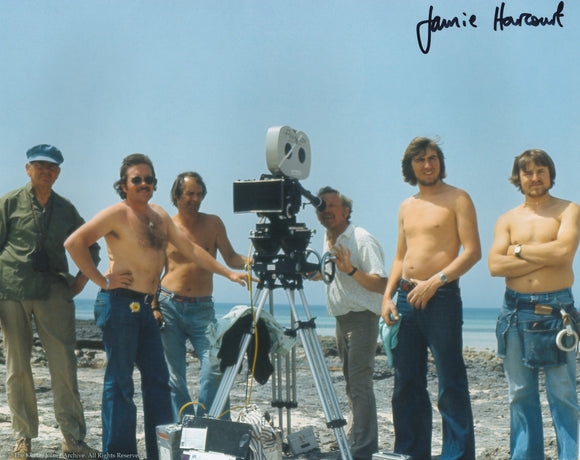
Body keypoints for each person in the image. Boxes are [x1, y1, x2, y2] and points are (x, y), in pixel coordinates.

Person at [64, 154, 247, 460]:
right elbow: (74, 243)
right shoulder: (116, 213)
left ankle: (160, 453)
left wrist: (228, 273)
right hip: (119, 303)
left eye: (148, 179)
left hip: (146, 306)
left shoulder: (159, 215)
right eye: (136, 179)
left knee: (159, 382)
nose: (144, 184)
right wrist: (102, 280)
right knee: (120, 383)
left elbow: (191, 249)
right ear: (124, 185)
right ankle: (120, 454)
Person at [381, 137, 480, 460]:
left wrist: (436, 281)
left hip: (442, 298)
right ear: (410, 167)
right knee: (406, 382)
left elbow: (472, 252)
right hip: (406, 298)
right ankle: (411, 453)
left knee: (451, 382)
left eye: (433, 158)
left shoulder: (458, 198)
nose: (428, 164)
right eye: (420, 159)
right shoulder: (406, 206)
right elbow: (400, 257)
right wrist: (387, 297)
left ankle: (457, 456)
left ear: (441, 162)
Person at [0, 144, 100, 459]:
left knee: (64, 365)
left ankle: (73, 439)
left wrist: (81, 281)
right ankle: (22, 439)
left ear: (58, 172)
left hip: (54, 292)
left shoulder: (66, 209)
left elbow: (92, 246)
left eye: (52, 167)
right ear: (28, 169)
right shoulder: (8, 202)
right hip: (11, 289)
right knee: (17, 367)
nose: (46, 171)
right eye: (40, 165)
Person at [488, 149, 580, 459]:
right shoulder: (507, 219)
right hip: (514, 312)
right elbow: (495, 266)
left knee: (563, 394)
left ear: (550, 174)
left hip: (557, 311)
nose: (535, 177)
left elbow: (564, 253)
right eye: (527, 172)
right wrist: (546, 255)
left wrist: (517, 250)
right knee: (520, 394)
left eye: (541, 170)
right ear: (518, 178)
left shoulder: (568, 210)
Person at [153, 172, 249, 421]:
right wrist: (153, 307)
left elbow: (231, 258)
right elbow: (153, 271)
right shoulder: (165, 226)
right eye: (189, 194)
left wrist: (255, 260)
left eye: (199, 194)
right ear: (176, 196)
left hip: (202, 308)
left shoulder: (213, 223)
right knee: (174, 377)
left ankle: (209, 424)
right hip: (168, 305)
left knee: (215, 367)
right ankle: (184, 427)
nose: (195, 199)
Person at [315, 186, 387, 460]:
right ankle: (357, 437)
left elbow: (382, 283)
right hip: (341, 317)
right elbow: (328, 273)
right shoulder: (327, 237)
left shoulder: (361, 239)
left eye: (332, 206)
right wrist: (311, 271)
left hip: (362, 317)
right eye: (321, 206)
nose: (326, 211)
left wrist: (352, 270)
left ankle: (364, 448)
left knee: (359, 383)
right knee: (351, 382)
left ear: (346, 211)